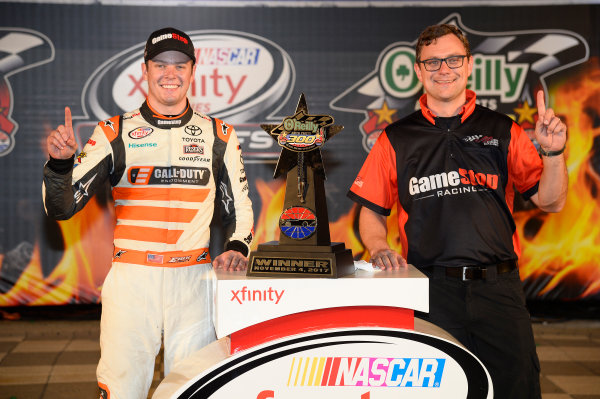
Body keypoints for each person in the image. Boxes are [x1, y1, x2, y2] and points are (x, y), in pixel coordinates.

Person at [348, 24, 567, 398]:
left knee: (516, 390)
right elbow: (371, 209)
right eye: (431, 62)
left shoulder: (503, 130)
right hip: (431, 291)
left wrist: (554, 153)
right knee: (436, 391)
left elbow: (552, 201)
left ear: (468, 66)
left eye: (452, 59)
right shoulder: (395, 138)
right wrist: (379, 246)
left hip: (499, 291)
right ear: (418, 71)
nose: (442, 69)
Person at [42, 27, 254, 399]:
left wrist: (237, 246)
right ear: (144, 70)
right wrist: (59, 165)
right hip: (132, 281)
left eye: (179, 65)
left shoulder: (220, 134)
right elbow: (61, 208)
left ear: (193, 70)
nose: (170, 73)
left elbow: (240, 208)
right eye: (160, 64)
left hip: (194, 282)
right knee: (122, 390)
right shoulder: (113, 131)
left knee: (191, 391)